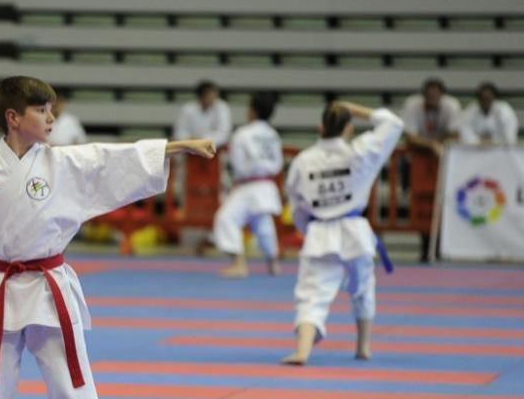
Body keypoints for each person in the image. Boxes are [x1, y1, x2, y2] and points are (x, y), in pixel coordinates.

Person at [0, 76, 215, 399]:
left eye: (51, 110)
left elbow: (111, 158)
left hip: (48, 286)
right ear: (13, 118)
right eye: (41, 110)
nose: (52, 117)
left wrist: (176, 146)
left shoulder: (62, 163)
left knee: (70, 378)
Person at [281, 101, 404, 366]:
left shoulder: (303, 160)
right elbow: (394, 124)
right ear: (349, 128)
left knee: (312, 293)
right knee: (363, 288)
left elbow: (297, 204)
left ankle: (302, 351)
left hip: (320, 232)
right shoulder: (361, 152)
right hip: (355, 231)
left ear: (320, 127)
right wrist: (354, 108)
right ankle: (363, 347)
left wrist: (308, 229)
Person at [213, 91, 283, 277]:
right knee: (262, 223)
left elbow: (239, 165)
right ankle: (273, 262)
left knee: (226, 218)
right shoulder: (272, 134)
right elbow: (278, 163)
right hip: (267, 184)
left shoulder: (242, 134)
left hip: (248, 185)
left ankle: (238, 263)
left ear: (252, 111)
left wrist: (236, 182)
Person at [401, 77, 461, 158]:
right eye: (429, 96)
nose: (432, 99)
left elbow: (454, 135)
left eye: (435, 96)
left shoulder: (452, 105)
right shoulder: (411, 104)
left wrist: (435, 143)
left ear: (442, 95)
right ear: (423, 95)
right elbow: (410, 138)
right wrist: (432, 144)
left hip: (442, 147)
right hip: (419, 148)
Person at [172, 80, 232, 148]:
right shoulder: (187, 109)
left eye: (215, 96)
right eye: (210, 96)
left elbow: (223, 133)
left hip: (214, 149)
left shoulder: (222, 108)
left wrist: (202, 140)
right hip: (191, 149)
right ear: (201, 97)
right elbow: (179, 133)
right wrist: (192, 141)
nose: (214, 99)